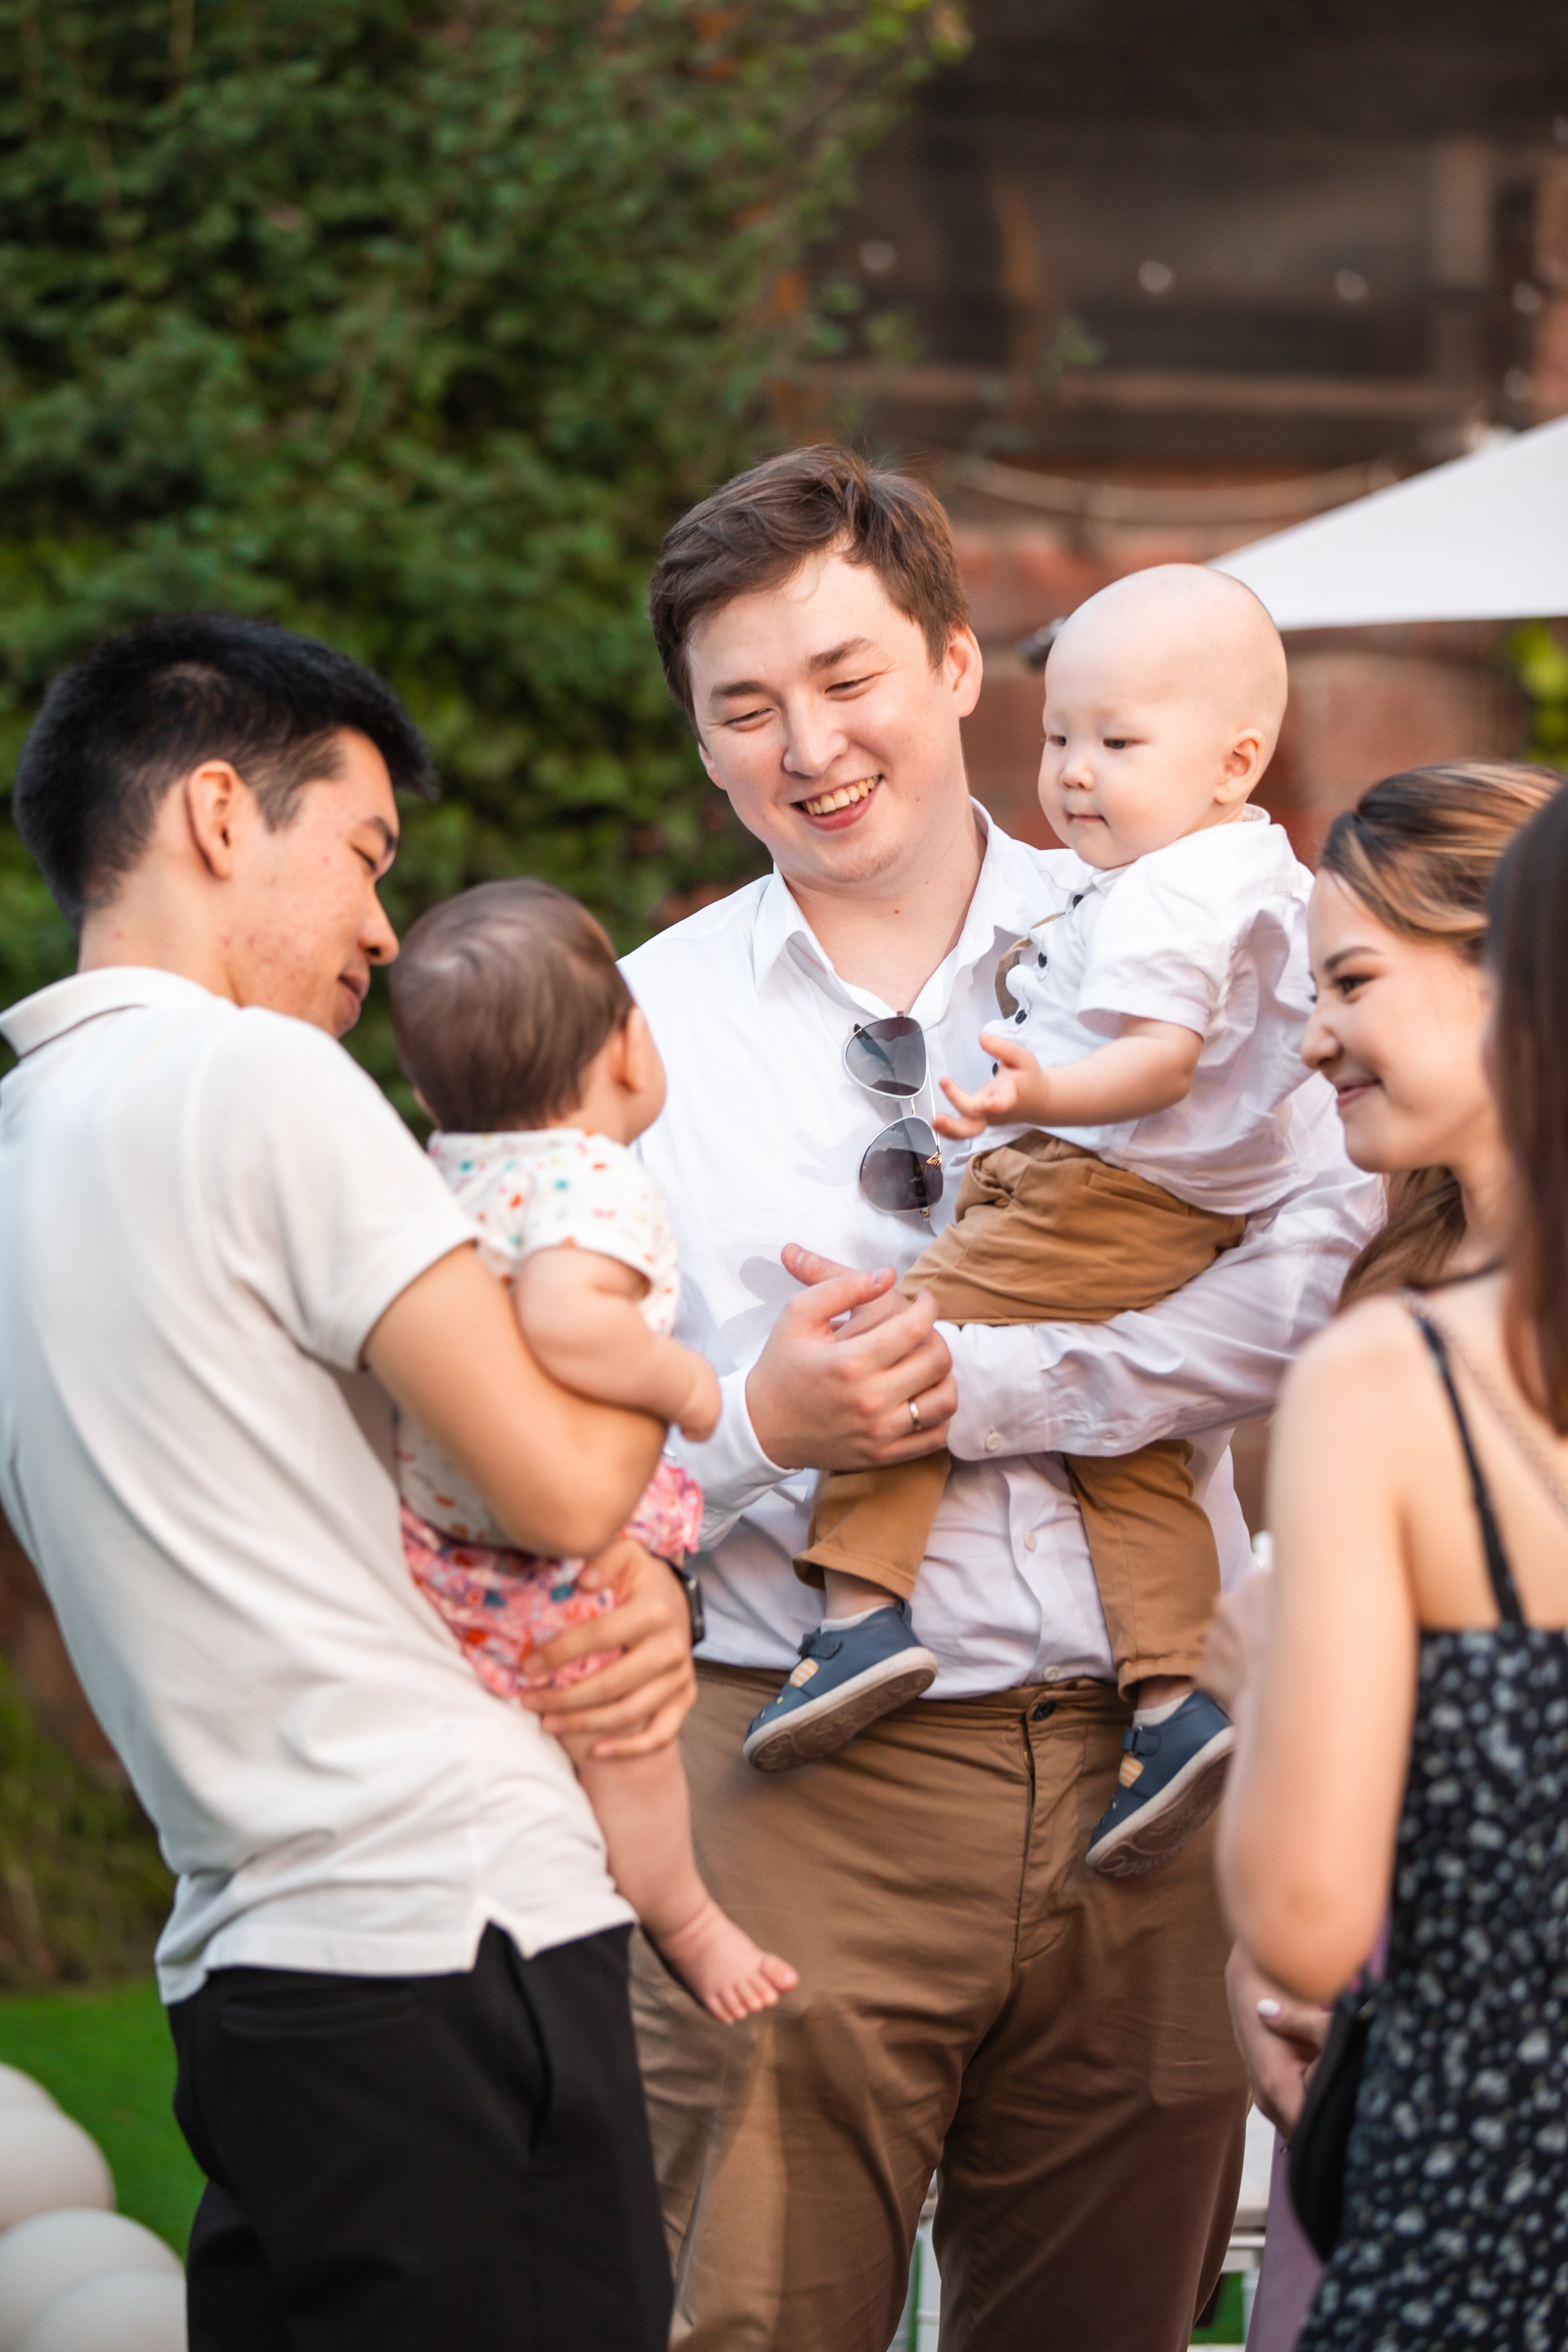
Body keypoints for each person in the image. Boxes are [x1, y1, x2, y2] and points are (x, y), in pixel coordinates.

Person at [622, 443, 1381, 2352]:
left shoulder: (1203, 924)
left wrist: (999, 1385)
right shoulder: (634, 1032)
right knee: (757, 2324)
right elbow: (538, 1459)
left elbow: (1320, 1266)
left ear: (960, 664)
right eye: (747, 707)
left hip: (1163, 1776)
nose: (811, 746)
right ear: (702, 742)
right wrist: (763, 1425)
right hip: (796, 1787)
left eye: (849, 676)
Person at [0, 616, 696, 2351]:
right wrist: (706, 1400)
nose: (387, 929)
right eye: (366, 855)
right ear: (218, 813)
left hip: (250, 1981)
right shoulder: (258, 1078)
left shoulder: (25, 1152)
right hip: (450, 1937)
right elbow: (558, 1488)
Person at [763, 564, 1315, 1882]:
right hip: (1175, 1215)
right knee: (1130, 1454)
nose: (1072, 774)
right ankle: (1175, 1699)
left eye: (1118, 743)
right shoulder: (1256, 873)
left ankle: (859, 1616)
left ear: (1235, 761)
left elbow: (1159, 1061)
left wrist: (1038, 1094)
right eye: (1061, 736)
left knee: (895, 1351)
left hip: (1090, 1186)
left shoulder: (1172, 890)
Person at [1208, 760, 1560, 2352]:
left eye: (1352, 981)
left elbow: (1305, 1890)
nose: (1312, 1035)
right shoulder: (1384, 1290)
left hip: (1474, 2192)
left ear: (1515, 972)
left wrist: (1267, 1671)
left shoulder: (1391, 1378)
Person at [387, 876, 798, 2024]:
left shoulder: (439, 1170)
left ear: (427, 1087)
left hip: (442, 1533)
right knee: (630, 1746)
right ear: (628, 1050)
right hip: (560, 1559)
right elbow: (568, 1321)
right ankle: (687, 1920)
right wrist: (683, 1385)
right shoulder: (595, 1181)